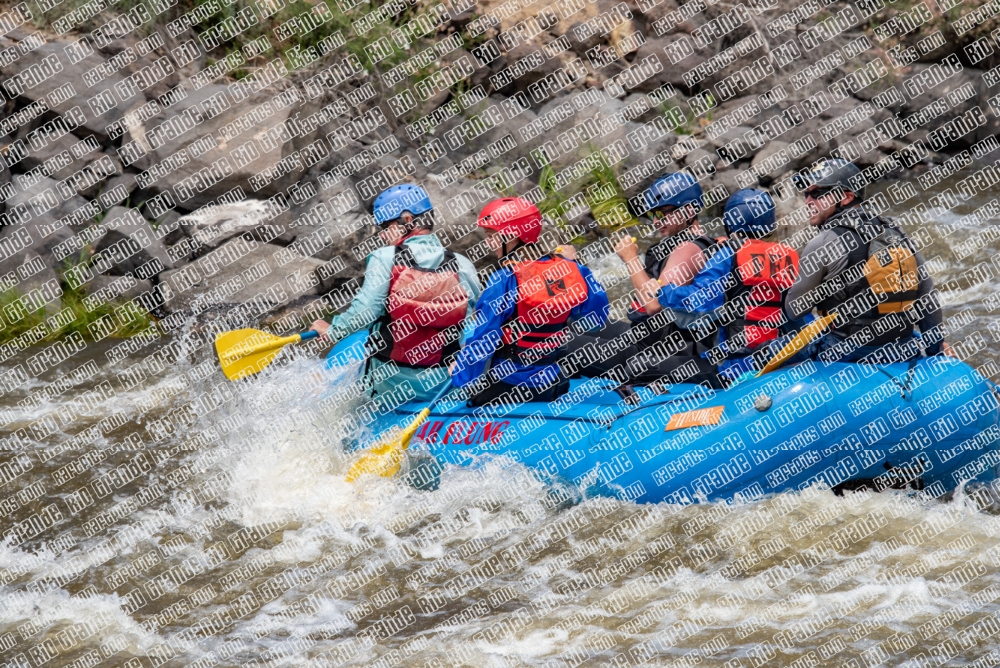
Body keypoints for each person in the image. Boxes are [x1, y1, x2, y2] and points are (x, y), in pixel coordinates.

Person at [311, 184, 482, 400]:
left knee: (323, 384)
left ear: (407, 220)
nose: (382, 236)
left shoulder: (384, 257)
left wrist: (332, 330)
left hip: (389, 384)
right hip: (442, 385)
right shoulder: (463, 264)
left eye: (385, 227)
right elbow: (475, 323)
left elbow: (365, 312)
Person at [786, 158, 950, 363]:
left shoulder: (823, 242)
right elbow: (928, 301)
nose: (808, 201)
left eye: (817, 193)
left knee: (778, 334)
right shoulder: (898, 233)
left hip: (846, 353)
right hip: (903, 350)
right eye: (806, 193)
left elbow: (795, 311)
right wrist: (936, 352)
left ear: (845, 197)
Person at [449, 197, 610, 406]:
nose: (489, 244)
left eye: (492, 236)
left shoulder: (504, 279)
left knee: (465, 384)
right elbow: (597, 319)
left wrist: (460, 375)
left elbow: (483, 342)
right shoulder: (573, 270)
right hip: (553, 380)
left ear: (512, 236)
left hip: (511, 385)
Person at [608, 172, 727, 386]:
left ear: (689, 211)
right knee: (579, 326)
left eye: (662, 214)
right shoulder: (696, 244)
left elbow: (653, 305)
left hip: (667, 352)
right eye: (653, 215)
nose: (655, 222)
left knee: (570, 347)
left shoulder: (687, 249)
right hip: (648, 339)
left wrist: (630, 259)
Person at [710, 189, 800, 383]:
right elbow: (800, 313)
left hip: (736, 364)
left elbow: (701, 305)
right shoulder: (786, 256)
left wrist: (663, 292)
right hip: (775, 356)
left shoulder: (726, 255)